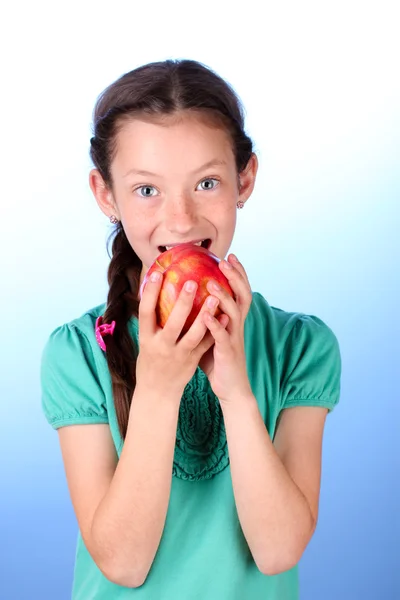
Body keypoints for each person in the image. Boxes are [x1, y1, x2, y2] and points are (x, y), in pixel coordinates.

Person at [40, 59, 342, 600]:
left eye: (206, 182)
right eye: (146, 190)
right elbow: (123, 564)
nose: (180, 220)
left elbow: (278, 552)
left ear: (244, 179)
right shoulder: (79, 353)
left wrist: (237, 392)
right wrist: (157, 386)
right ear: (105, 194)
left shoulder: (301, 347)